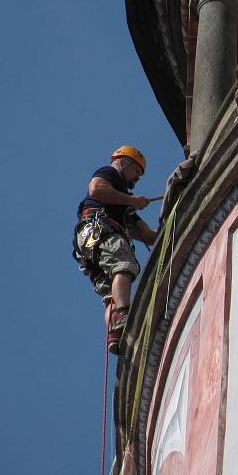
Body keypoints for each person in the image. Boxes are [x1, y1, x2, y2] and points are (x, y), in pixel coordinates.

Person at [74, 146, 158, 354]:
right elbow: (96, 189)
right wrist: (133, 200)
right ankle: (122, 315)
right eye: (136, 171)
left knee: (112, 294)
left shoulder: (122, 201)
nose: (137, 178)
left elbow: (148, 236)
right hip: (100, 230)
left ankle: (116, 333)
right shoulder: (110, 175)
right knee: (124, 266)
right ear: (122, 162)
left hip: (89, 243)